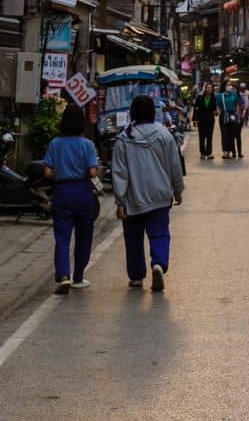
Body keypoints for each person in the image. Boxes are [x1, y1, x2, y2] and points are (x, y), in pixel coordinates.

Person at [111, 94, 184, 291]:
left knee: (133, 237)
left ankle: (136, 277)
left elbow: (119, 173)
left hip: (134, 197)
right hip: (160, 196)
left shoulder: (124, 138)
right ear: (153, 112)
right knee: (159, 234)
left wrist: (120, 201)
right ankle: (158, 264)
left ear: (132, 113)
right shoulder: (164, 134)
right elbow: (175, 166)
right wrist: (178, 191)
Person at [43, 106, 100, 293]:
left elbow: (47, 172)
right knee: (84, 237)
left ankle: (63, 275)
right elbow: (92, 171)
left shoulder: (54, 144)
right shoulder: (87, 145)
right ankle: (78, 277)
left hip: (62, 191)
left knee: (62, 237)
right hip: (83, 191)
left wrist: (62, 171)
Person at [217, 79, 243, 159]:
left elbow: (237, 105)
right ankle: (225, 152)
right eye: (228, 84)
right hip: (224, 115)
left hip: (233, 115)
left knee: (231, 134)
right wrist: (219, 113)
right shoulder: (220, 95)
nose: (230, 86)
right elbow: (217, 105)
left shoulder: (234, 94)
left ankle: (231, 151)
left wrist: (238, 113)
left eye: (230, 84)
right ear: (224, 86)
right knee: (224, 134)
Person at [193, 79, 218, 161]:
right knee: (202, 137)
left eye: (210, 88)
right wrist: (195, 119)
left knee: (209, 137)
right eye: (208, 87)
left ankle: (209, 153)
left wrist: (217, 111)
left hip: (210, 120)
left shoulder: (214, 98)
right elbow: (196, 109)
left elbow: (215, 109)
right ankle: (203, 153)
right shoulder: (200, 98)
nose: (209, 89)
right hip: (201, 120)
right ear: (205, 88)